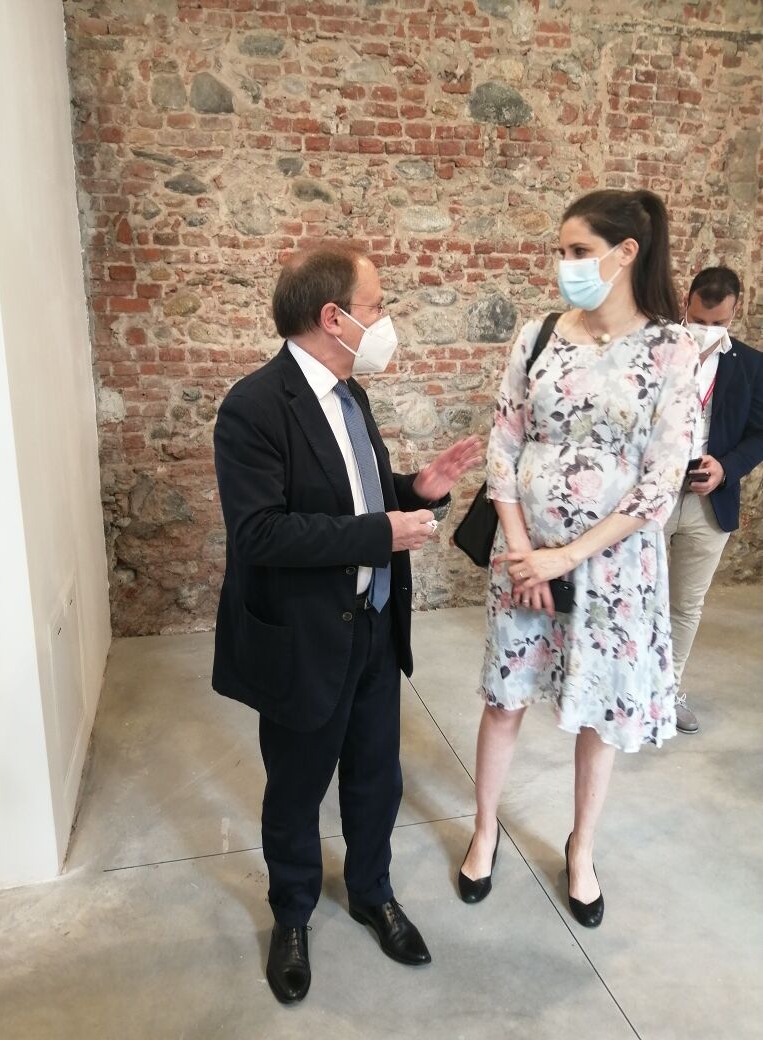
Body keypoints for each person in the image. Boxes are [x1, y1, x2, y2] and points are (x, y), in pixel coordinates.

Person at [212, 245, 481, 1004]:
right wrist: (381, 534)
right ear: (334, 318)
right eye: (376, 306)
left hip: (373, 623)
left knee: (375, 777)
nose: (384, 321)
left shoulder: (350, 394)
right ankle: (293, 913)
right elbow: (260, 532)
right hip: (303, 638)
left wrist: (415, 490)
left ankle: (371, 891)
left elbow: (353, 495)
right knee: (297, 788)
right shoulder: (253, 406)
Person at [457, 189, 698, 929]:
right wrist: (524, 551)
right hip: (524, 557)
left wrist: (568, 558)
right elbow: (504, 443)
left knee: (598, 709)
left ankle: (582, 847)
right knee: (505, 698)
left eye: (579, 251)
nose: (565, 265)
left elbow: (663, 479)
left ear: (626, 253)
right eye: (561, 251)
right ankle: (485, 829)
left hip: (613, 569)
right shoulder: (537, 335)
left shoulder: (673, 348)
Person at [665, 266, 763, 733]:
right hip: (653, 496)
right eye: (700, 320)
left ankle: (667, 691)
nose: (707, 330)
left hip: (710, 502)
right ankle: (625, 688)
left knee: (686, 605)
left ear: (734, 312)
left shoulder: (752, 365)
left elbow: (759, 434)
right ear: (686, 303)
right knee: (632, 596)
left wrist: (725, 468)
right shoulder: (657, 351)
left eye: (718, 323)